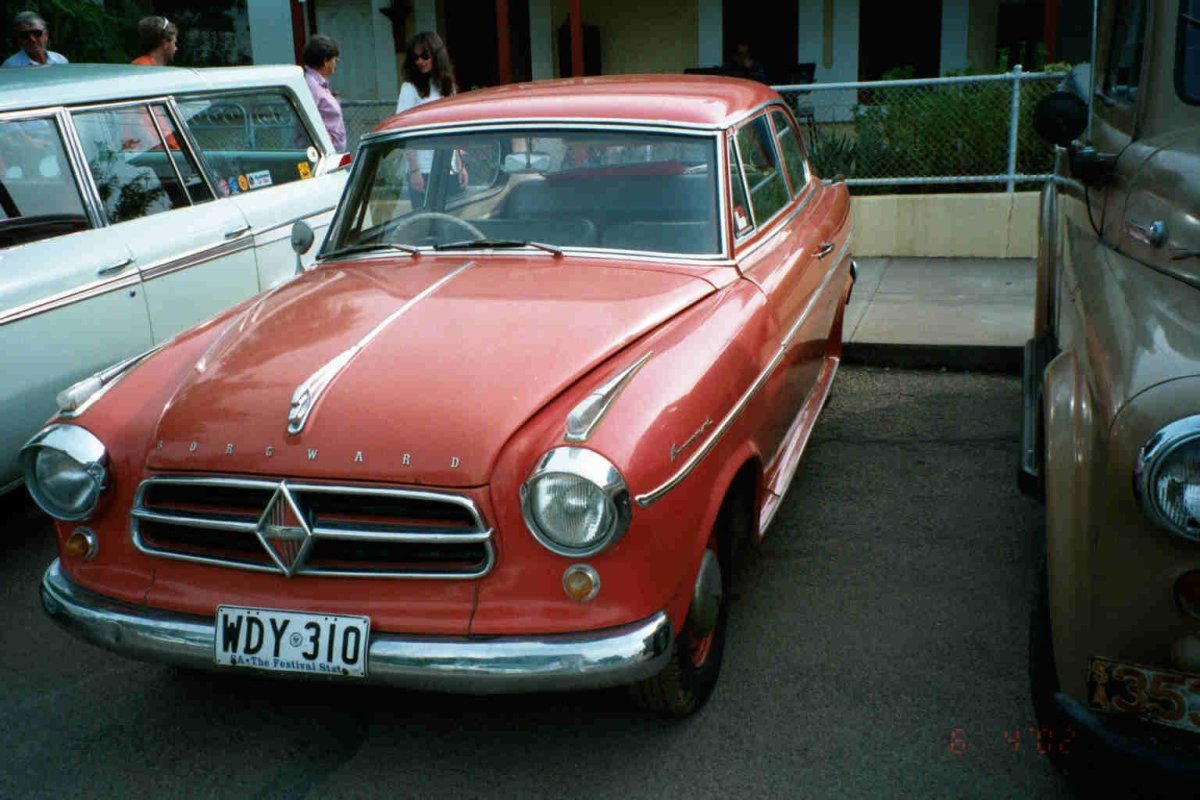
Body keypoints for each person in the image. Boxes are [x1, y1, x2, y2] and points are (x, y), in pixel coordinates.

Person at [396, 31, 466, 205]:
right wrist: (414, 171)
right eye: (415, 57)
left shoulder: (448, 87)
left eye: (425, 56)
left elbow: (454, 130)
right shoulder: (409, 88)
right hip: (424, 169)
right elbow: (405, 131)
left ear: (436, 55)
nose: (420, 61)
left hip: (449, 168)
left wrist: (461, 166)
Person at [302, 34, 347, 153]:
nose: (336, 64)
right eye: (335, 60)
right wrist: (326, 141)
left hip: (329, 153)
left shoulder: (318, 84)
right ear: (325, 61)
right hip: (321, 154)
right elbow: (307, 121)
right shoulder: (311, 86)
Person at [2, 11, 68, 68]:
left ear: (46, 35)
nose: (32, 39)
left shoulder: (60, 60)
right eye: (25, 35)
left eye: (36, 33)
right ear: (19, 39)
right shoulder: (11, 66)